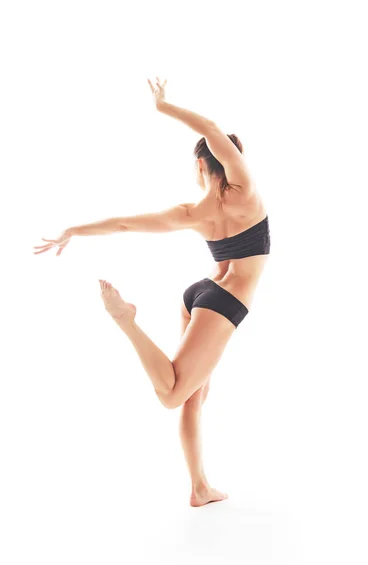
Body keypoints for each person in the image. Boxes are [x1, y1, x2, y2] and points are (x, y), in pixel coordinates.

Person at [33, 76, 271, 508]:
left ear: (201, 166)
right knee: (173, 394)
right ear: (231, 160)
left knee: (195, 397)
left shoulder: (191, 213)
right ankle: (128, 323)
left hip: (200, 294)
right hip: (225, 303)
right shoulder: (246, 197)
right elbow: (214, 132)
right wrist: (165, 108)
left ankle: (200, 488)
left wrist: (75, 230)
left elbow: (125, 224)